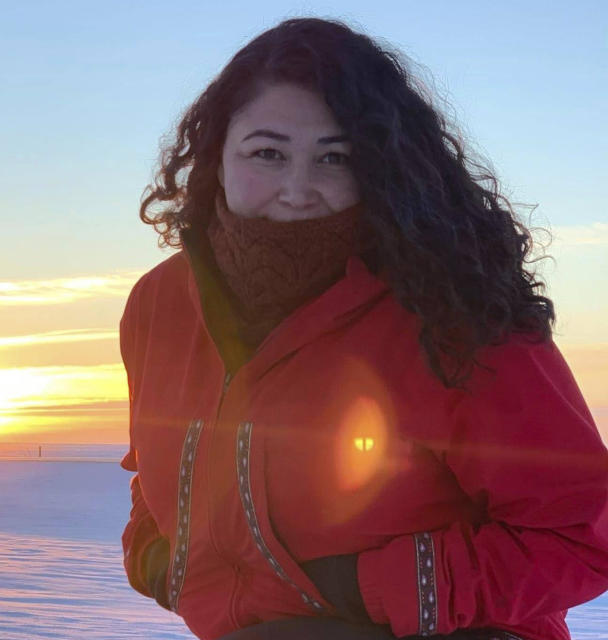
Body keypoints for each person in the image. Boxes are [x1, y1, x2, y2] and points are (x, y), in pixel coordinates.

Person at [118, 17, 608, 640]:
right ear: (216, 154)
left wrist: (366, 590)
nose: (298, 189)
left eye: (334, 157)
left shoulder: (457, 309)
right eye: (267, 153)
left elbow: (580, 533)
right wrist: (158, 555)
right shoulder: (159, 304)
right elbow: (156, 458)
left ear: (379, 165)